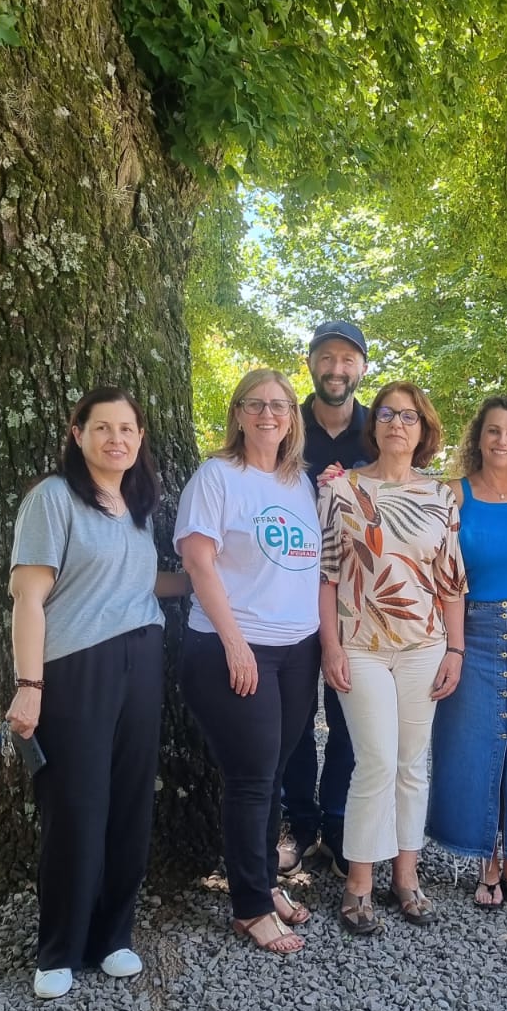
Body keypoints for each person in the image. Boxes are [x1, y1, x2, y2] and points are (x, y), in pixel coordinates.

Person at [7, 387, 172, 1000]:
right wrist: (30, 686)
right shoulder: (52, 499)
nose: (116, 439)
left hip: (142, 660)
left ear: (140, 438)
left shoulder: (137, 504)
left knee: (130, 802)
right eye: (102, 427)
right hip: (76, 668)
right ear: (78, 435)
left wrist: (211, 578)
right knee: (76, 807)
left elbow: (134, 579)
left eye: (127, 428)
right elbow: (29, 598)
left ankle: (113, 936)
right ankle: (59, 948)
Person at [175, 369, 321, 956]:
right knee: (252, 779)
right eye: (255, 404)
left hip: (298, 649)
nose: (268, 414)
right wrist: (235, 642)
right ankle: (250, 907)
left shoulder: (299, 482)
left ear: (292, 418)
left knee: (274, 773)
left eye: (280, 405)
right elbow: (198, 561)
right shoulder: (217, 477)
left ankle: (263, 881)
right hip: (234, 646)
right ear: (237, 414)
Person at [318, 381, 467, 935]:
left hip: (424, 646)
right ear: (373, 426)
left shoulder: (440, 497)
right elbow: (326, 576)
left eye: (408, 416)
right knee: (376, 760)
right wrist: (330, 645)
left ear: (424, 429)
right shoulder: (340, 490)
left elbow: (451, 582)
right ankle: (359, 881)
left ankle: (406, 876)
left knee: (411, 762)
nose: (396, 424)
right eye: (386, 414)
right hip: (360, 646)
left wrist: (455, 649)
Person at [427, 395, 507, 910]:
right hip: (472, 628)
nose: (503, 440)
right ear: (478, 438)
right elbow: (434, 560)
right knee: (473, 741)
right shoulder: (453, 493)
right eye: (494, 431)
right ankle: (485, 860)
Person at [279, 320, 371, 879]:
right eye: (327, 358)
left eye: (347, 360)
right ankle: (298, 822)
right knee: (293, 718)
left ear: (362, 368)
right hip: (287, 592)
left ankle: (338, 823)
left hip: (358, 599)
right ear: (311, 363)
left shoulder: (378, 430)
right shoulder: (284, 427)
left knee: (348, 716)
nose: (337, 370)